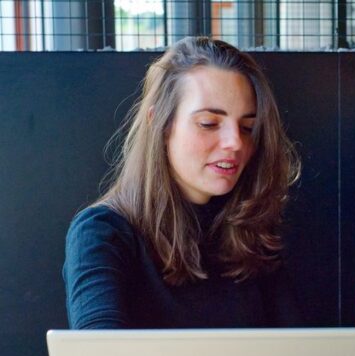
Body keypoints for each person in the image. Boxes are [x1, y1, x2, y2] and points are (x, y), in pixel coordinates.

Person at [64, 37, 301, 329]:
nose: (235, 142)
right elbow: (98, 352)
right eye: (209, 123)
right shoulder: (102, 233)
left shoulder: (250, 231)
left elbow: (294, 349)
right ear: (161, 124)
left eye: (247, 127)